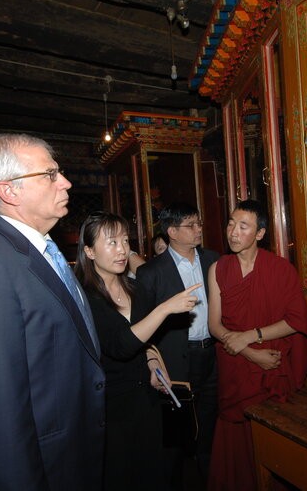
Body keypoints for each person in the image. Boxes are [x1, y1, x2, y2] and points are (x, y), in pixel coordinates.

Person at [0, 133, 105, 490]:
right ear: (8, 191)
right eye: (50, 174)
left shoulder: (39, 250)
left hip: (68, 456)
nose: (66, 182)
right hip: (37, 467)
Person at [75, 211, 202, 491]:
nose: (122, 250)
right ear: (89, 251)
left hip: (146, 399)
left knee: (153, 473)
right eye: (112, 243)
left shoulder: (135, 288)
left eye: (125, 241)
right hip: (111, 405)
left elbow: (143, 341)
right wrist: (165, 308)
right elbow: (119, 345)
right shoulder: (84, 297)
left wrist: (153, 359)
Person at [207, 200, 307, 491]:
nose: (233, 232)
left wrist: (252, 334)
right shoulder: (218, 268)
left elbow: (296, 321)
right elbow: (215, 326)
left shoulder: (281, 269)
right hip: (237, 364)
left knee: (269, 440)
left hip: (272, 366)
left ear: (259, 233)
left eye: (243, 226)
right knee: (234, 435)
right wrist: (249, 351)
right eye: (231, 223)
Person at [133, 202, 220, 488]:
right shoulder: (151, 272)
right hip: (175, 362)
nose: (198, 230)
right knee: (176, 438)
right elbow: (142, 327)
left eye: (199, 223)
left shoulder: (213, 260)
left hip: (212, 355)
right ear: (172, 231)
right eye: (190, 225)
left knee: (210, 429)